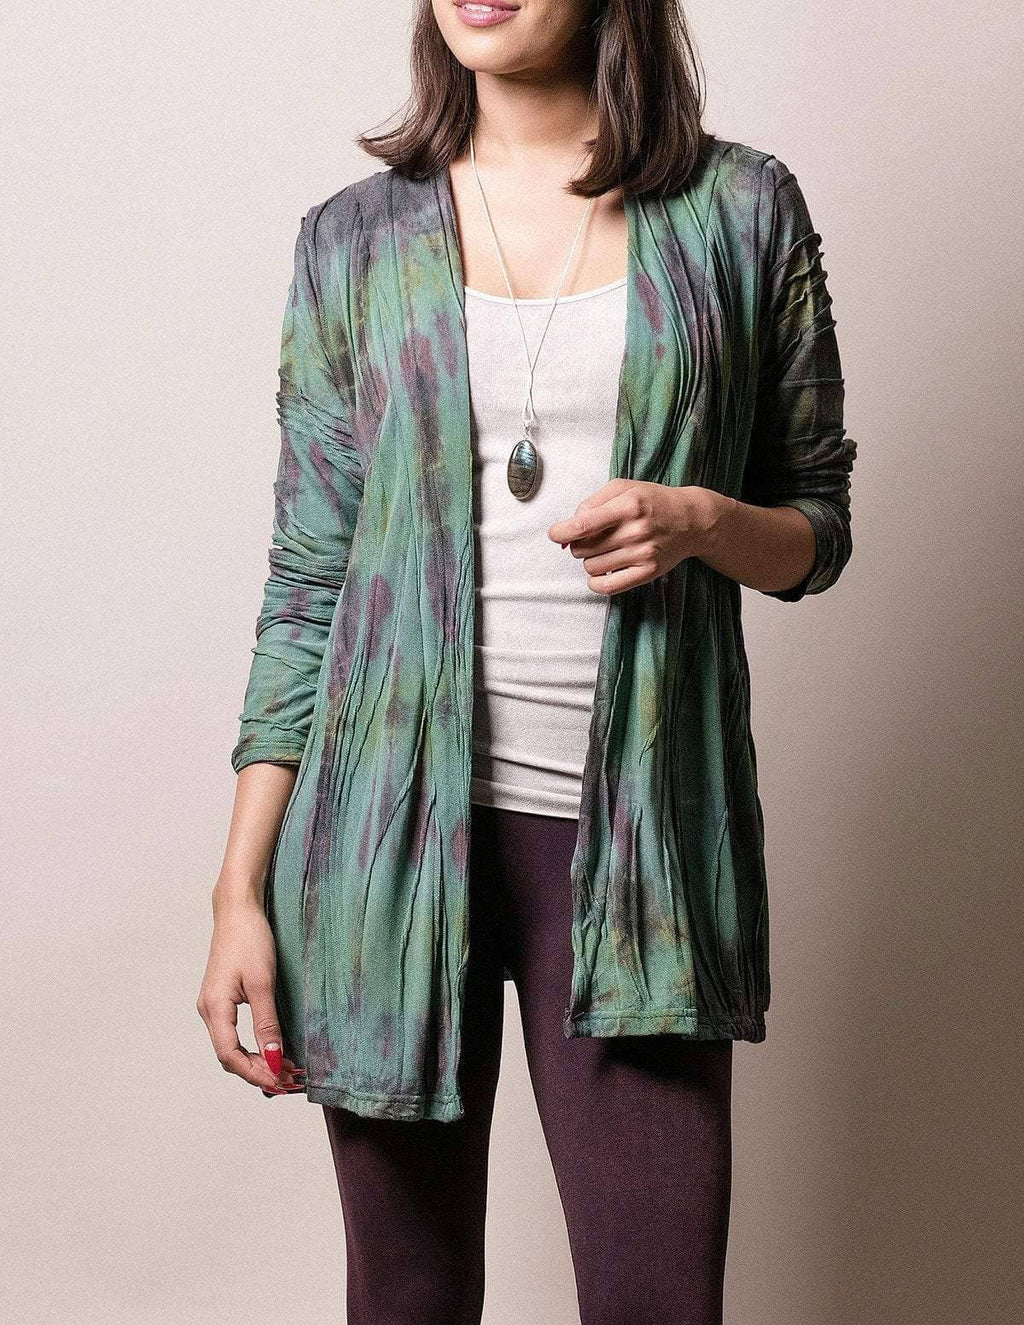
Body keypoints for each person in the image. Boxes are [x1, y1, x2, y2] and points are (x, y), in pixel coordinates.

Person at [197, 1, 857, 1321]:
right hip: (382, 842)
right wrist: (238, 891)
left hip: (643, 846)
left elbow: (815, 530)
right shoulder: (352, 241)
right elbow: (309, 580)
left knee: (656, 1296)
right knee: (407, 1298)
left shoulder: (741, 212)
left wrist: (701, 519)